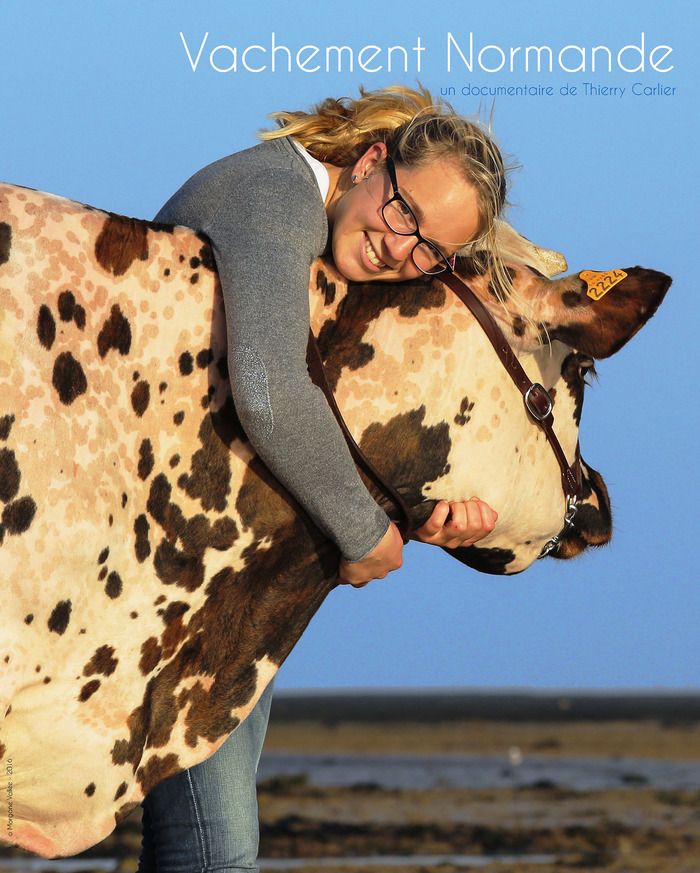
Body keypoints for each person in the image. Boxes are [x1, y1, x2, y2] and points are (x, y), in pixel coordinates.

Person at [137, 84, 507, 872]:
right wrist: (364, 531)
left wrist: (433, 509)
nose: (399, 248)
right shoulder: (271, 196)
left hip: (213, 583)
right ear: (371, 161)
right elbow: (270, 391)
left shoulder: (331, 241)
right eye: (405, 213)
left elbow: (348, 423)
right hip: (177, 588)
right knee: (215, 853)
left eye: (430, 251)